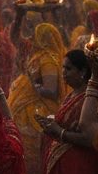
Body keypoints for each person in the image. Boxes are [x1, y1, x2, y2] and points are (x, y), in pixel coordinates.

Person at [7, 18, 67, 162]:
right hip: (27, 106)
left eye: (36, 34)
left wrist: (35, 86)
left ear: (43, 38)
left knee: (32, 152)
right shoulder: (40, 55)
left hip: (38, 110)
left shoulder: (48, 60)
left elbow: (51, 91)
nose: (32, 37)